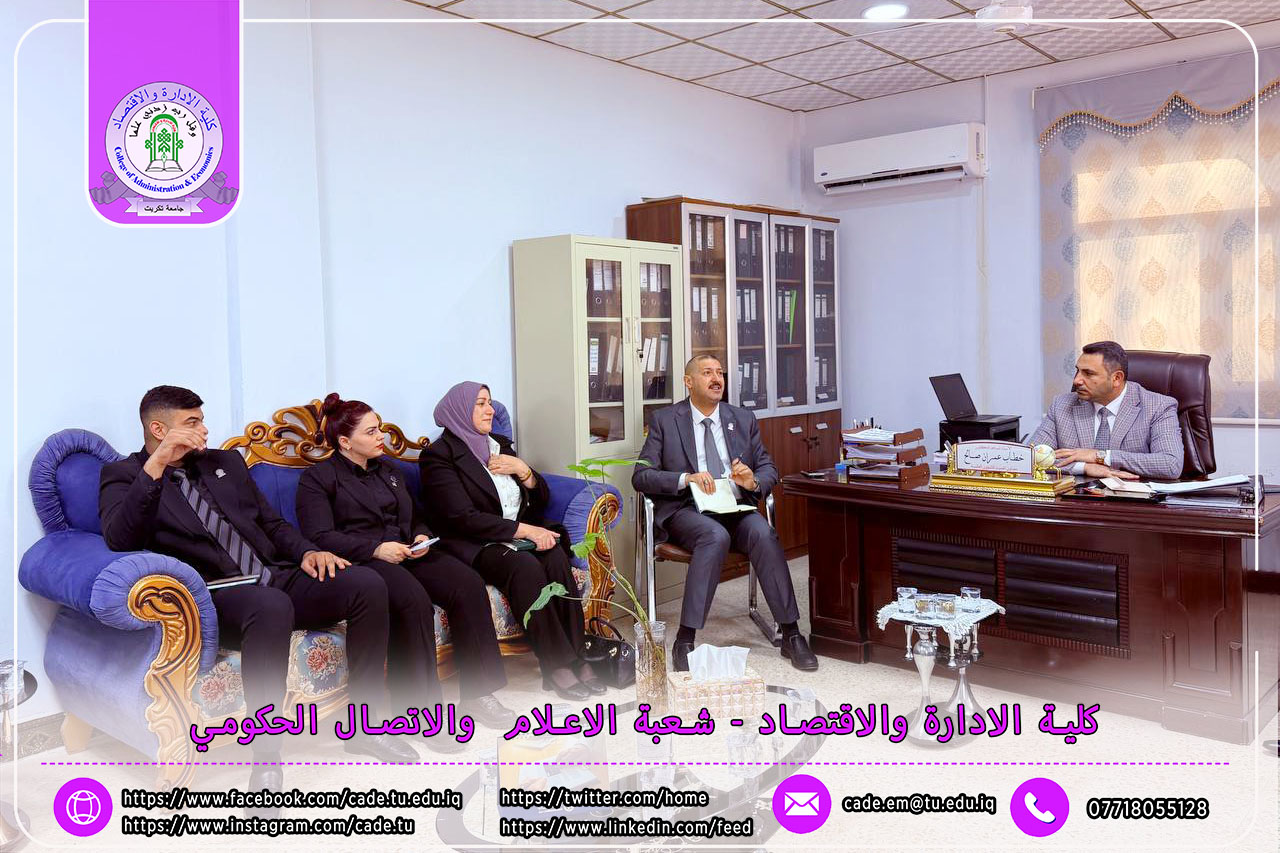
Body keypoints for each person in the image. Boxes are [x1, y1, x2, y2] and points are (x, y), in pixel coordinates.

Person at [99, 386, 434, 806]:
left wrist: (308, 552)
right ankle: (267, 759)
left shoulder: (224, 463)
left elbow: (272, 524)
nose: (204, 429)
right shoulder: (124, 475)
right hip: (217, 592)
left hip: (275, 574)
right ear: (158, 429)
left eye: (202, 419)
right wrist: (159, 463)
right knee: (271, 606)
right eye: (192, 422)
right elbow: (121, 538)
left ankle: (365, 727)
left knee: (366, 584)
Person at [296, 393, 516, 729]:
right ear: (345, 442)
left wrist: (421, 537)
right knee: (412, 601)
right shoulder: (318, 479)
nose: (381, 436)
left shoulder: (389, 470)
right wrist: (376, 549)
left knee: (467, 584)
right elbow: (320, 536)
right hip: (364, 561)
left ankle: (479, 694)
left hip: (408, 552)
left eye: (380, 428)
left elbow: (416, 517)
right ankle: (418, 713)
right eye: (371, 432)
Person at [632, 355, 818, 673]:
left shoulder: (741, 418)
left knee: (763, 533)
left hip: (734, 506)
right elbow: (641, 476)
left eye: (720, 373)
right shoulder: (665, 420)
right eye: (707, 373)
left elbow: (768, 467)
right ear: (688, 382)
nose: (717, 379)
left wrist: (752, 481)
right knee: (714, 536)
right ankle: (685, 639)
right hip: (687, 509)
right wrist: (686, 479)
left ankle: (790, 633)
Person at [418, 381, 602, 702]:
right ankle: (556, 665)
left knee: (555, 556)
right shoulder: (438, 456)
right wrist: (525, 531)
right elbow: (461, 518)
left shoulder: (499, 445)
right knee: (524, 567)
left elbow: (540, 500)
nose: (490, 410)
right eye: (480, 404)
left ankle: (576, 654)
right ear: (460, 410)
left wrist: (524, 471)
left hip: (516, 535)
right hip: (474, 543)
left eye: (490, 403)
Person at [1030, 341, 1183, 481]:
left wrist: (1100, 456)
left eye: (1088, 373)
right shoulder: (1062, 405)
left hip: (1131, 498)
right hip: (1075, 497)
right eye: (1078, 371)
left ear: (1116, 378)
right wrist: (1084, 467)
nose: (1076, 380)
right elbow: (1029, 458)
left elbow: (1170, 464)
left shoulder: (1158, 406)